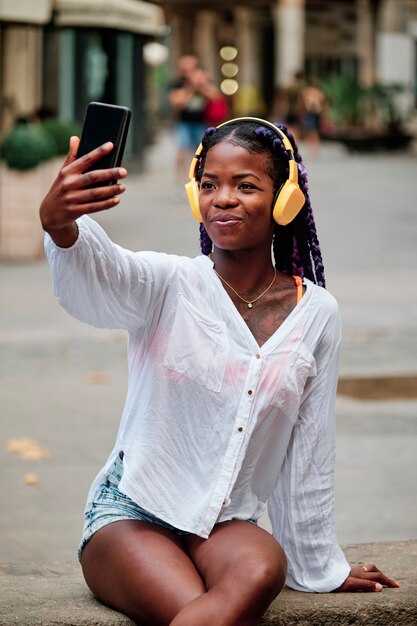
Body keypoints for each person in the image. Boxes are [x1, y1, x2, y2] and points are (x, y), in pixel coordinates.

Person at [39, 117, 399, 626]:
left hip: (224, 524)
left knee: (261, 568)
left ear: (285, 200)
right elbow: (103, 276)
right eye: (209, 184)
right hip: (132, 513)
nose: (222, 198)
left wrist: (321, 566)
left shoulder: (318, 313)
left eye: (245, 185)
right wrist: (61, 225)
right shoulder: (169, 283)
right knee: (200, 611)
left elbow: (309, 452)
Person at [168, 55, 223, 181]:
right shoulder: (178, 84)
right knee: (182, 152)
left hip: (202, 123)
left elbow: (216, 97)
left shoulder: (204, 83)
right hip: (184, 123)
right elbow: (177, 103)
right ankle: (180, 181)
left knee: (204, 153)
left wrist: (202, 85)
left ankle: (201, 179)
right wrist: (191, 87)